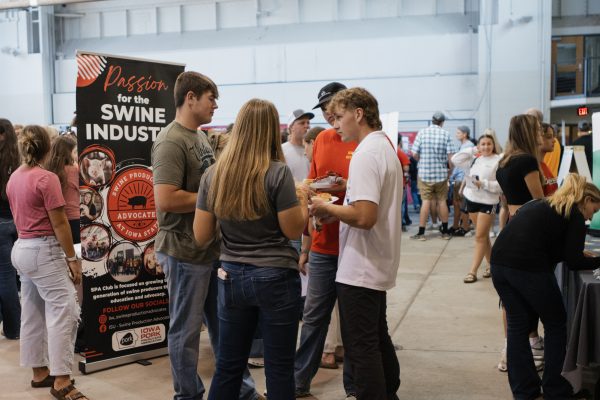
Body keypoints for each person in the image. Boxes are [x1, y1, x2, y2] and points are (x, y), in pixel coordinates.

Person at [151, 71, 260, 400]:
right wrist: (215, 198)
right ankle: (188, 395)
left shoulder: (198, 136)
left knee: (226, 326)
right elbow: (166, 198)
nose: (215, 105)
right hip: (184, 253)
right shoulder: (171, 141)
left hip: (209, 252)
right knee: (185, 331)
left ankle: (242, 390)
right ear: (191, 98)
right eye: (211, 98)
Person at [193, 98, 309, 399]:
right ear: (272, 130)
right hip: (275, 277)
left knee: (228, 366)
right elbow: (293, 229)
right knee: (280, 368)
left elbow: (201, 234)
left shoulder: (214, 175)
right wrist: (305, 204)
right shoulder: (278, 173)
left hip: (230, 276)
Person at [312, 87, 402, 400]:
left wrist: (326, 208)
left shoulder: (365, 153)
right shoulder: (383, 148)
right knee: (376, 338)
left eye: (338, 116)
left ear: (358, 113)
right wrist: (342, 205)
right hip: (374, 262)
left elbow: (364, 217)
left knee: (362, 348)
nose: (334, 124)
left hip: (360, 267)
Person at [491, 173, 600, 400]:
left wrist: (576, 252)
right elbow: (574, 262)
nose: (593, 215)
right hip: (528, 267)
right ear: (587, 200)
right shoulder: (575, 214)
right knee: (556, 323)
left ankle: (525, 392)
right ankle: (555, 390)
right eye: (595, 209)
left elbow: (546, 240)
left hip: (500, 264)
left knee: (518, 326)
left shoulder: (545, 204)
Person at [7, 125, 87, 400]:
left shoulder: (15, 177)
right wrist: (72, 259)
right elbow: (60, 222)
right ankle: (62, 380)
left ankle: (40, 372)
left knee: (32, 311)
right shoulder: (47, 178)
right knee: (66, 310)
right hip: (44, 250)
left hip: (22, 249)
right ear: (48, 147)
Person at [294, 81, 357, 398]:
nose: (330, 114)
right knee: (314, 317)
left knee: (352, 321)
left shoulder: (363, 142)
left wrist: (340, 188)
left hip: (354, 246)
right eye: (325, 109)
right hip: (322, 244)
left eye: (334, 107)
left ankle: (354, 388)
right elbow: (315, 183)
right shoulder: (321, 140)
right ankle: (298, 383)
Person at [495, 114, 545, 372]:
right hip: (528, 227)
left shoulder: (503, 162)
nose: (540, 132)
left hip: (512, 225)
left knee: (510, 296)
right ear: (527, 131)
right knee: (529, 291)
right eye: (537, 128)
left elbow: (505, 203)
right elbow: (539, 202)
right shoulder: (527, 161)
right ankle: (530, 345)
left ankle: (509, 348)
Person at [451, 133, 502, 283]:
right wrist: (472, 150)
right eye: (483, 144)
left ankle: (472, 271)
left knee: (479, 236)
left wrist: (484, 184)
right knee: (483, 236)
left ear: (493, 145)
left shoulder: (498, 161)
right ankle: (492, 266)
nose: (486, 147)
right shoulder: (474, 159)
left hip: (488, 202)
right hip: (471, 199)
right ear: (478, 146)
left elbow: (501, 185)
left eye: (489, 144)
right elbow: (455, 159)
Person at [410, 112, 456, 240]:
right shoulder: (446, 134)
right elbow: (451, 157)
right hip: (441, 174)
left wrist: (422, 160)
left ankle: (421, 233)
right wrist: (450, 171)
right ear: (442, 122)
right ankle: (445, 232)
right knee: (442, 202)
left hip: (424, 174)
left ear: (432, 121)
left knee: (426, 201)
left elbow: (414, 154)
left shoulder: (422, 133)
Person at [0, 118, 21, 340]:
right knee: (16, 276)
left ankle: (13, 328)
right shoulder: (19, 160)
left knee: (5, 276)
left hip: (1, 222)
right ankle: (15, 328)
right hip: (18, 221)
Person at [46, 135, 80, 243]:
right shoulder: (74, 170)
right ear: (67, 153)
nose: (77, 155)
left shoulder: (48, 170)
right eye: (75, 152)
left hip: (55, 220)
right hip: (75, 218)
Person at [449, 126, 474, 236]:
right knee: (457, 204)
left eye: (458, 132)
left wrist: (453, 175)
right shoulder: (464, 145)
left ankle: (464, 227)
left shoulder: (468, 146)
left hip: (462, 178)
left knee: (460, 204)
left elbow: (461, 165)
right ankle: (457, 226)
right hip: (460, 177)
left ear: (465, 134)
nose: (456, 134)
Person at [283, 109, 314, 182]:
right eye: (302, 123)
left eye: (308, 123)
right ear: (291, 127)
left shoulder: (314, 149)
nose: (307, 126)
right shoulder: (281, 150)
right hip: (291, 192)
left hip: (313, 192)